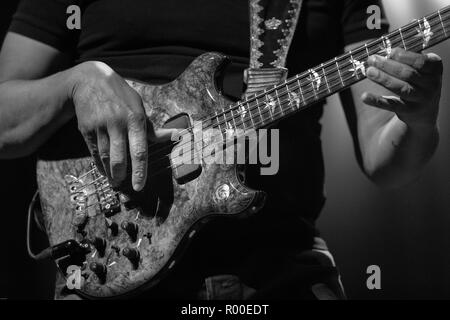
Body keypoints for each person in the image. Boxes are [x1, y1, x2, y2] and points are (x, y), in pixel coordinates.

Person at [0, 0, 443, 299]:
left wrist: (417, 121)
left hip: (280, 269)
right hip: (112, 256)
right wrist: (78, 82)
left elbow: (386, 162)